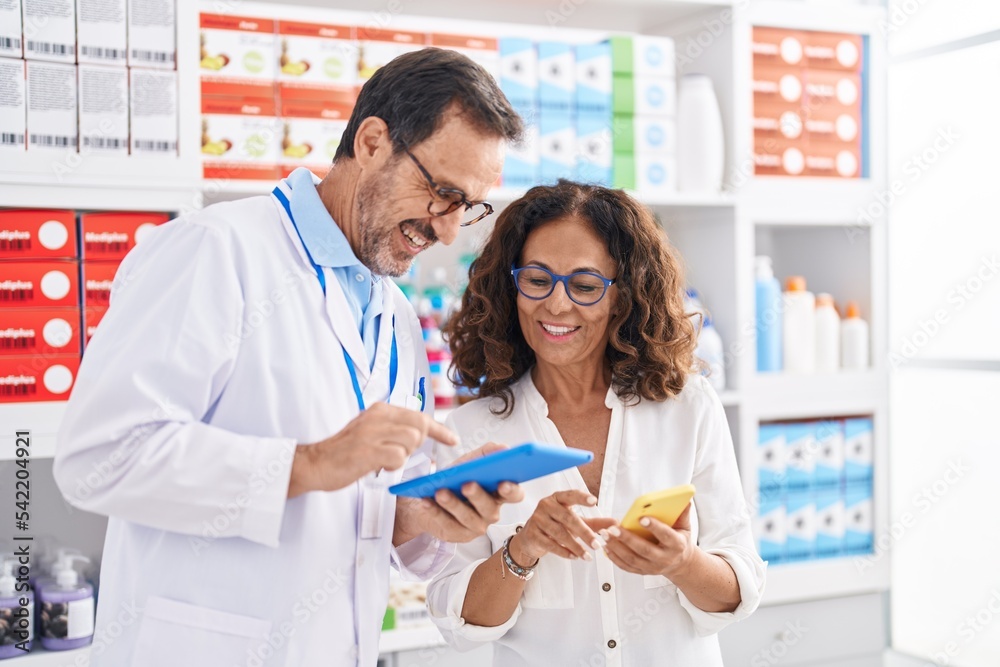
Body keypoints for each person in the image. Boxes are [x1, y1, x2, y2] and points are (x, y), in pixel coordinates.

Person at [53, 48, 525, 667]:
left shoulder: (397, 317)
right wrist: (310, 463)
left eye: (468, 207)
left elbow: (361, 516)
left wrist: (427, 514)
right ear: (373, 141)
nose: (445, 231)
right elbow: (97, 456)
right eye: (441, 193)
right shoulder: (216, 251)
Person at [426, 181, 766, 665]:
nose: (557, 306)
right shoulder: (470, 432)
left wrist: (682, 562)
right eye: (537, 280)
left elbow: (739, 590)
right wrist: (523, 550)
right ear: (510, 285)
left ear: (621, 298)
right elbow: (460, 624)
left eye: (585, 286)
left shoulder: (687, 407)